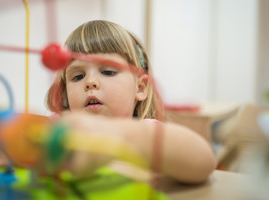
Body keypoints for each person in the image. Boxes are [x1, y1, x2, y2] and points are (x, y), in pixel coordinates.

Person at [46, 20, 216, 184]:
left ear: (140, 88)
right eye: (77, 76)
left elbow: (204, 161)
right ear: (65, 93)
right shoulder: (58, 128)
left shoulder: (146, 130)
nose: (90, 82)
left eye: (108, 72)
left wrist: (119, 135)